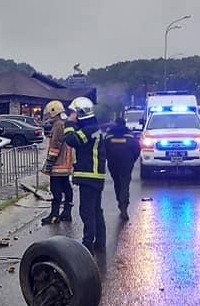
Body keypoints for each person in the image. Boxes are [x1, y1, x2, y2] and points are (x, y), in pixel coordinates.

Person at [63, 97, 106, 252]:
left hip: (90, 176)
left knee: (87, 211)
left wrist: (68, 123)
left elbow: (71, 140)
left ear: (80, 113)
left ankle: (87, 244)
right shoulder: (94, 128)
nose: (72, 115)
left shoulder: (89, 130)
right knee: (96, 210)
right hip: (94, 176)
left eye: (74, 112)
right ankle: (100, 243)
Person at [40, 100, 73, 224]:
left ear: (54, 112)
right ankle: (67, 212)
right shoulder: (65, 123)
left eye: (49, 113)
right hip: (66, 164)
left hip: (58, 165)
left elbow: (55, 145)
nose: (48, 116)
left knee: (56, 190)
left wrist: (49, 162)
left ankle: (54, 215)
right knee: (66, 188)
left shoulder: (58, 125)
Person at [104, 116, 141, 220]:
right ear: (125, 124)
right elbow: (137, 149)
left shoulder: (108, 135)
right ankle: (124, 205)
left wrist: (109, 158)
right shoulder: (130, 135)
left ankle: (120, 202)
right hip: (127, 162)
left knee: (117, 182)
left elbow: (103, 148)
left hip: (113, 163)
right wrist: (132, 160)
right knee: (125, 184)